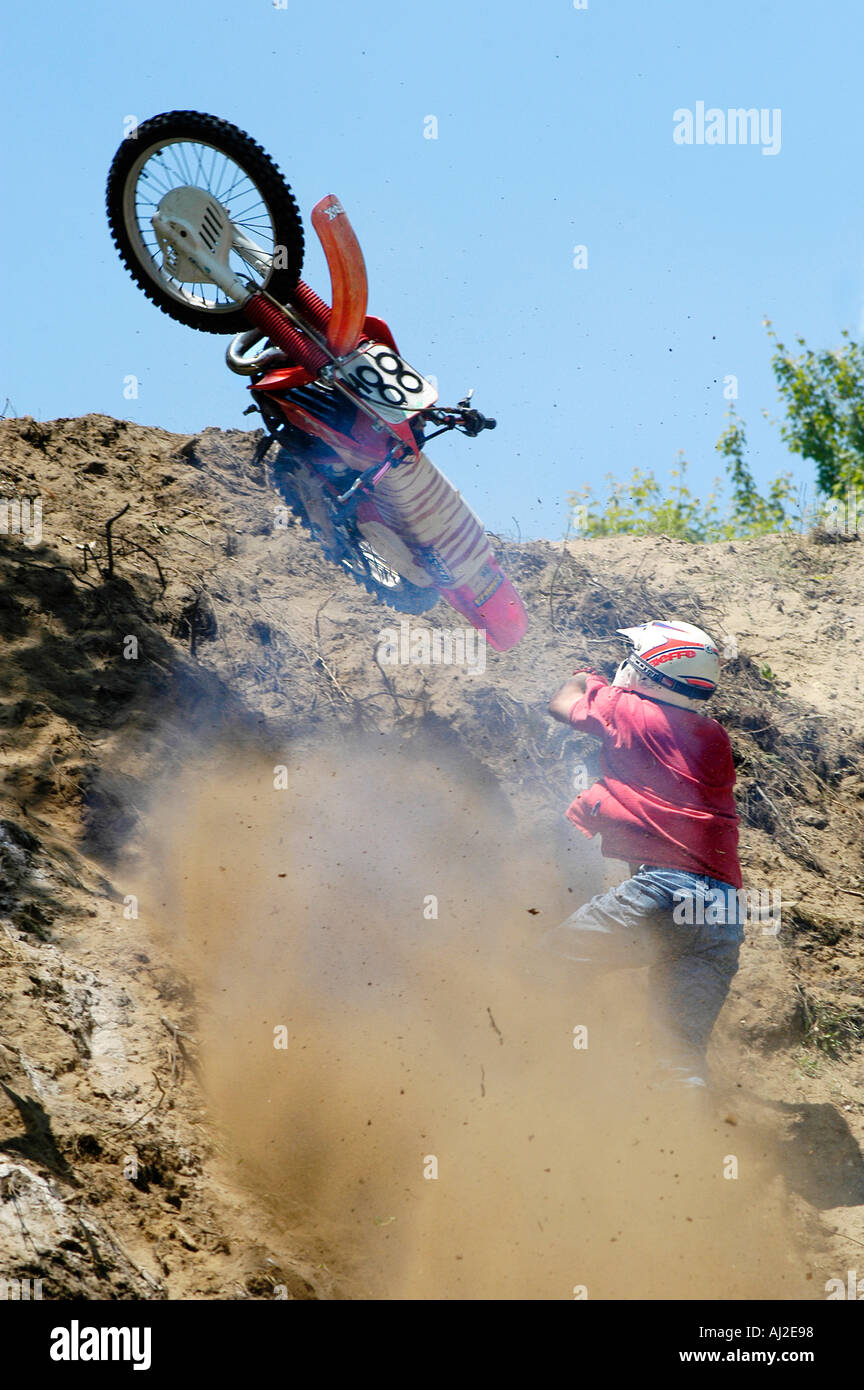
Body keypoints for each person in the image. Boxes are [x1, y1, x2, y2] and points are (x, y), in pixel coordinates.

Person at [546, 620, 744, 1091]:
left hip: (667, 890)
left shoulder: (629, 709)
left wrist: (585, 675)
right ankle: (697, 1150)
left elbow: (561, 702)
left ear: (650, 671)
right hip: (721, 914)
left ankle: (545, 1074)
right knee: (678, 1057)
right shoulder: (713, 736)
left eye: (632, 659)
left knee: (544, 966)